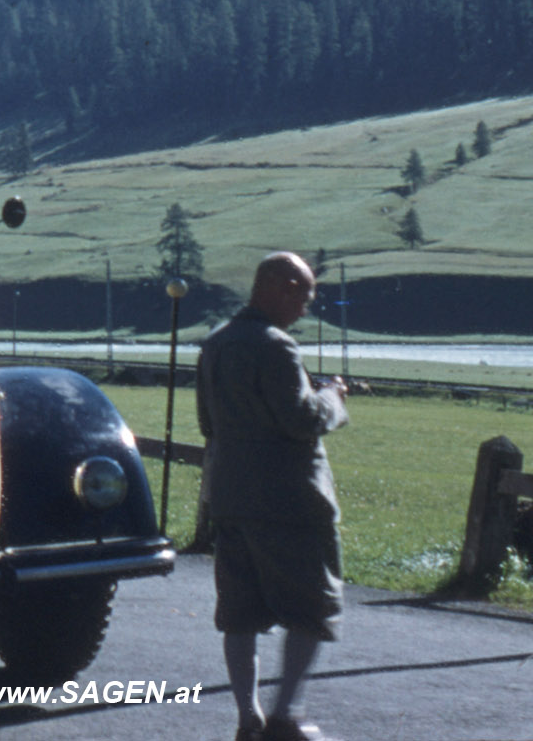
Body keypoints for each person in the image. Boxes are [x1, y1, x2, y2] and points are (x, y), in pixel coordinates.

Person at [196, 251, 349, 741]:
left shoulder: (216, 343)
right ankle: (287, 715)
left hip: (230, 495)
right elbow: (302, 421)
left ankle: (248, 716)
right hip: (288, 501)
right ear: (281, 286)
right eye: (304, 294)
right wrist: (333, 399)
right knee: (312, 603)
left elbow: (206, 423)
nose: (306, 306)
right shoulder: (277, 347)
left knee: (239, 611)